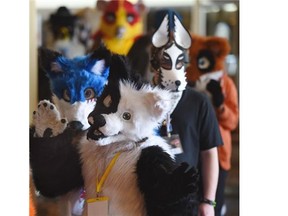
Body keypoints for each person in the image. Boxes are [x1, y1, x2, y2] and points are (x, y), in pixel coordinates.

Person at [129, 10, 223, 215]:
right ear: (154, 63)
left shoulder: (199, 102)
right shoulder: (140, 100)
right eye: (165, 61)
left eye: (179, 61)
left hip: (188, 198)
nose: (173, 68)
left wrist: (208, 201)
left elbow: (209, 153)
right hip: (145, 199)